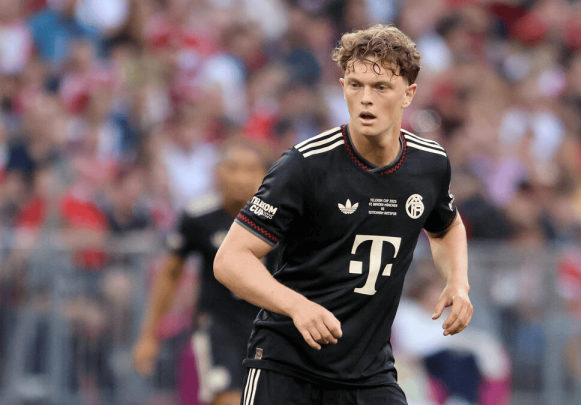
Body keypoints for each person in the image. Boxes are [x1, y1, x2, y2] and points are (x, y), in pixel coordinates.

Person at [214, 24, 473, 404]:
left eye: (380, 87)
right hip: (286, 366)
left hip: (368, 373)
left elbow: (446, 227)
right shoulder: (305, 164)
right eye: (355, 85)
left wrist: (458, 282)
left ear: (408, 94)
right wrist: (296, 306)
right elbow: (230, 259)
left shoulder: (429, 164)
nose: (365, 99)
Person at [133, 140, 268, 405]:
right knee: (228, 399)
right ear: (218, 172)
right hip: (218, 326)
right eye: (233, 168)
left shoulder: (282, 218)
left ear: (264, 174)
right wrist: (148, 335)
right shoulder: (199, 216)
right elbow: (170, 275)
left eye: (250, 169)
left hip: (269, 328)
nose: (241, 178)